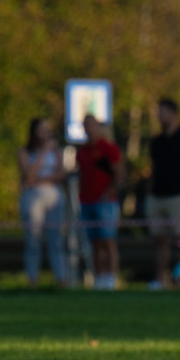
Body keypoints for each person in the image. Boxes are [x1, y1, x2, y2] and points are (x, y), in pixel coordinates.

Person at [146, 99, 180, 290]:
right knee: (159, 239)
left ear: (173, 113)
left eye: (162, 112)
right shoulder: (156, 141)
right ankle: (161, 279)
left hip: (178, 196)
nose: (159, 116)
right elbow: (153, 168)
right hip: (157, 196)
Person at [18, 117, 67, 287]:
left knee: (56, 239)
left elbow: (61, 175)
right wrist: (43, 153)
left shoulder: (56, 151)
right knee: (33, 239)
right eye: (42, 130)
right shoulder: (25, 152)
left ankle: (61, 279)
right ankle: (33, 280)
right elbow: (29, 175)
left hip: (54, 196)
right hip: (32, 198)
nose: (46, 134)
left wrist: (39, 180)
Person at [77, 114, 124, 290]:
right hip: (86, 201)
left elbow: (119, 174)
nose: (89, 128)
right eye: (85, 125)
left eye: (92, 124)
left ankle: (111, 277)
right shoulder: (82, 151)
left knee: (108, 240)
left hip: (105, 202)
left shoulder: (108, 148)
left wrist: (107, 193)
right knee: (94, 242)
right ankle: (100, 277)